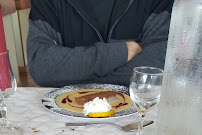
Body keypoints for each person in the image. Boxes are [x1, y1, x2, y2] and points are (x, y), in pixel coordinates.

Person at [27, 0, 174, 88]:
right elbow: (41, 66)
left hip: (138, 117)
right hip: (67, 114)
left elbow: (158, 66)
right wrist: (119, 53)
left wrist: (68, 73)